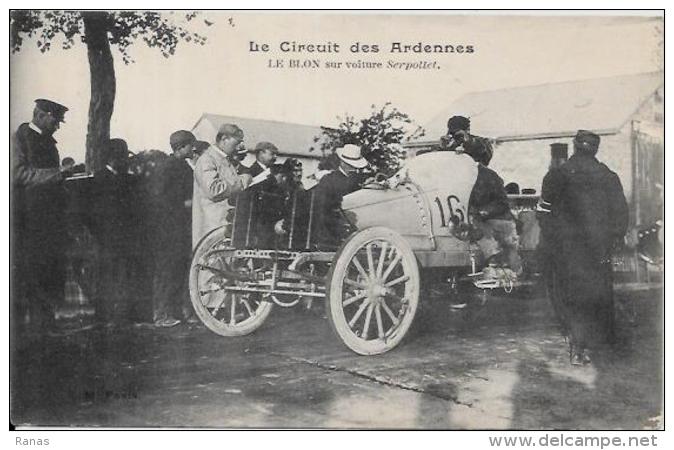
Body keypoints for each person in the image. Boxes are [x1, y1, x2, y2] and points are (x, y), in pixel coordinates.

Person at [538, 130, 628, 366]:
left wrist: (553, 239)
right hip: (599, 249)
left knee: (570, 294)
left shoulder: (557, 175)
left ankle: (578, 347)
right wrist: (614, 238)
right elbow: (621, 214)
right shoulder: (608, 176)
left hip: (567, 249)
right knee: (598, 293)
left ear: (575, 146)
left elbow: (543, 212)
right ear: (595, 149)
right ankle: (599, 346)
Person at [11, 99, 74, 334]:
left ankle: (47, 323)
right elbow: (18, 175)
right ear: (40, 115)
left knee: (50, 269)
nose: (58, 125)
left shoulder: (47, 141)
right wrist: (58, 174)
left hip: (49, 219)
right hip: (29, 219)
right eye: (55, 120)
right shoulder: (18, 138)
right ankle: (36, 327)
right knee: (35, 270)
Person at [146, 130, 200, 327]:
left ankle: (176, 311)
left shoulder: (183, 167)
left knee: (178, 270)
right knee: (166, 271)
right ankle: (161, 315)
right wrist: (183, 204)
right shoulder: (167, 168)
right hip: (168, 230)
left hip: (180, 229)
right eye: (190, 145)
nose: (193, 149)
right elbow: (158, 199)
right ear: (181, 147)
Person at [87, 139, 140, 326]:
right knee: (106, 277)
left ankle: (122, 316)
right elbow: (91, 213)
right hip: (107, 238)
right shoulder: (100, 179)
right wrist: (99, 234)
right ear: (113, 158)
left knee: (124, 275)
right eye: (123, 157)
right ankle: (102, 317)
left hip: (124, 237)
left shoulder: (125, 177)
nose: (126, 161)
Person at [192, 124, 252, 248]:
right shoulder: (207, 160)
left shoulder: (224, 160)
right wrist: (242, 182)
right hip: (212, 227)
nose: (239, 147)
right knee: (212, 265)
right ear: (224, 139)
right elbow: (213, 190)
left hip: (223, 225)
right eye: (237, 143)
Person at [310, 144, 367, 249]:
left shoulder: (355, 180)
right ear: (342, 163)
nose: (354, 169)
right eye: (351, 166)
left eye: (355, 166)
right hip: (332, 230)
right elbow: (321, 209)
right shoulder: (328, 180)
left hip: (351, 225)